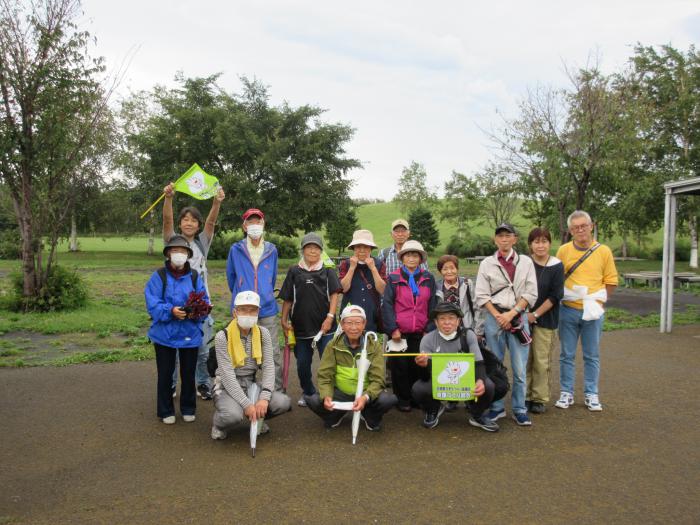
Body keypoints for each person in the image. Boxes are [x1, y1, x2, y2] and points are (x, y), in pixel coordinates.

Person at [162, 181, 224, 401]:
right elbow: (167, 220)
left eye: (193, 220)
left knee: (202, 350)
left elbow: (212, 222)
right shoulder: (172, 242)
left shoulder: (202, 244)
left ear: (198, 225)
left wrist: (216, 202)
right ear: (180, 224)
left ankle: (203, 384)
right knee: (173, 351)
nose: (189, 223)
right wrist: (169, 198)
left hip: (200, 307)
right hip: (175, 305)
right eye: (185, 219)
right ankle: (169, 386)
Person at [475, 223, 537, 426]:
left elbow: (531, 292)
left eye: (507, 235)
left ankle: (519, 409)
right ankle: (497, 407)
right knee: (495, 367)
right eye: (500, 236)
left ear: (514, 239)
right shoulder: (487, 263)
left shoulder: (526, 262)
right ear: (495, 240)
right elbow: (482, 295)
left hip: (518, 317)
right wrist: (498, 315)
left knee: (519, 368)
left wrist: (512, 313)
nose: (504, 239)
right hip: (494, 319)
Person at [555, 210, 618, 412]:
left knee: (592, 355)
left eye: (583, 226)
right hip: (568, 310)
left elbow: (611, 281)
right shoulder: (563, 251)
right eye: (575, 228)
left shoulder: (604, 251)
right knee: (566, 354)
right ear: (570, 231)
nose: (580, 230)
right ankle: (567, 392)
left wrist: (599, 303)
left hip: (593, 311)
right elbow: (557, 279)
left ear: (591, 226)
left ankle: (591, 394)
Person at [145, 234, 210, 424]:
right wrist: (171, 311)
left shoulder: (195, 276)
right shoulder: (159, 276)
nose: (179, 254)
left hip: (189, 333)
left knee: (189, 374)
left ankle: (188, 407)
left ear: (188, 255)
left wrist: (194, 312)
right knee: (165, 374)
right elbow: (152, 303)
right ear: (168, 255)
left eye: (182, 251)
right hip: (164, 334)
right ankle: (166, 411)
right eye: (175, 251)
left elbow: (204, 302)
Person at [210, 291, 291, 441]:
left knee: (282, 402)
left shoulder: (263, 333)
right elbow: (227, 375)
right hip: (226, 385)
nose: (248, 314)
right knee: (232, 415)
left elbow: (268, 366)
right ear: (235, 312)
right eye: (243, 309)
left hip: (251, 382)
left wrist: (264, 399)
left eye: (252, 310)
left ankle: (258, 419)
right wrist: (247, 404)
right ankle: (218, 424)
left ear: (258, 312)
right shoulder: (223, 336)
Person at [305, 305, 397, 430]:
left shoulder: (374, 346)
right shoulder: (333, 345)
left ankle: (369, 415)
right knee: (313, 400)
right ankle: (335, 415)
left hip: (365, 392)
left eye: (358, 322)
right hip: (341, 393)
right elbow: (325, 375)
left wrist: (365, 397)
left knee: (387, 400)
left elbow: (378, 379)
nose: (353, 327)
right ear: (342, 325)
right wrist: (327, 396)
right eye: (349, 323)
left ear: (364, 324)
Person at [411, 302, 499, 432]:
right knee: (419, 389)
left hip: (465, 379)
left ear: (458, 321)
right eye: (442, 318)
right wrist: (423, 366)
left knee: (489, 385)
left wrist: (480, 381)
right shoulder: (427, 340)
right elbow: (425, 377)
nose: (447, 322)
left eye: (451, 318)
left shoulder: (468, 335)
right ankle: (433, 409)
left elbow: (479, 362)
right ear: (436, 322)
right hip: (440, 380)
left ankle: (477, 414)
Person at [280, 233, 342, 407]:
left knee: (328, 362)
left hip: (325, 328)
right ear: (303, 250)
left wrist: (330, 317)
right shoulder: (294, 271)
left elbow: (335, 294)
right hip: (300, 328)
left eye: (316, 248)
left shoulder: (328, 270)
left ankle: (328, 393)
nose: (312, 251)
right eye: (309, 247)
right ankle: (308, 392)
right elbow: (287, 298)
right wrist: (283, 319)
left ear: (321, 251)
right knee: (302, 365)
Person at [225, 208, 282, 390]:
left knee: (271, 351)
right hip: (243, 308)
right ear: (244, 226)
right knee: (241, 349)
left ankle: (275, 390)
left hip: (266, 307)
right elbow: (231, 277)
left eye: (258, 222)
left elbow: (271, 277)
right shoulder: (236, 249)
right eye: (250, 222)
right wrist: (241, 293)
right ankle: (241, 389)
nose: (254, 225)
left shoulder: (272, 250)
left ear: (263, 224)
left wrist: (265, 292)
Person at [381, 239, 437, 412]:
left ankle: (416, 398)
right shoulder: (394, 278)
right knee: (399, 367)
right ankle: (402, 399)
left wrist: (429, 328)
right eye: (408, 255)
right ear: (402, 258)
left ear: (420, 259)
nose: (412, 258)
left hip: (422, 331)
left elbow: (433, 304)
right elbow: (387, 305)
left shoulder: (428, 278)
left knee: (418, 365)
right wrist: (393, 329)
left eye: (415, 255)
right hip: (399, 331)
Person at [525, 227, 564, 414]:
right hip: (523, 319)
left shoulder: (557, 265)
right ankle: (524, 395)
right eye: (536, 242)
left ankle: (539, 398)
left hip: (545, 319)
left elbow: (555, 296)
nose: (540, 245)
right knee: (524, 360)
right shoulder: (524, 263)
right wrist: (524, 314)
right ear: (530, 244)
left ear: (549, 243)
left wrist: (535, 315)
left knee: (541, 360)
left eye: (544, 241)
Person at [338, 229, 387, 333]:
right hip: (350, 315)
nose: (362, 250)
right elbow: (343, 288)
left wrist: (373, 269)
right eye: (358, 247)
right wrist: (352, 268)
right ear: (353, 248)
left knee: (369, 344)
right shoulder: (345, 264)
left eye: (366, 247)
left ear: (371, 248)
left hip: (371, 314)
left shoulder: (379, 264)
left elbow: (382, 290)